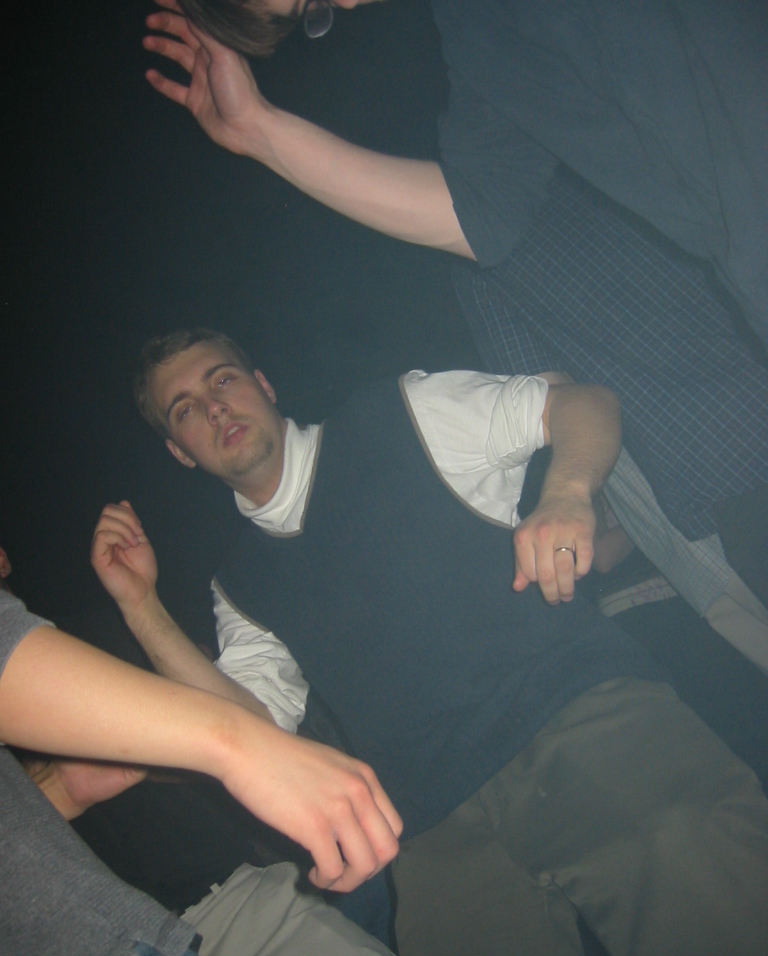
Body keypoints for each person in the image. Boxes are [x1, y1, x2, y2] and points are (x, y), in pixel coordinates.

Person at [104, 326, 768, 956]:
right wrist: (142, 607)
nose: (213, 407)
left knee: (734, 925)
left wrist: (567, 493)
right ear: (181, 451)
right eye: (184, 409)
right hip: (431, 826)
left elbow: (582, 403)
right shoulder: (240, 585)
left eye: (222, 379)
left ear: (262, 386)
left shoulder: (397, 415)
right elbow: (246, 728)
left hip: (570, 715)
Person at [140, 0, 768, 670]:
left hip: (734, 435)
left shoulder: (402, 413)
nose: (343, 6)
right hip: (687, 515)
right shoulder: (484, 61)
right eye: (313, 9)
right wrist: (258, 128)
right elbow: (482, 216)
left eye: (222, 379)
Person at [0, 558, 415, 956]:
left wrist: (142, 607)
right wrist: (236, 745)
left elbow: (255, 724)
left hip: (230, 909)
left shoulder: (90, 636)